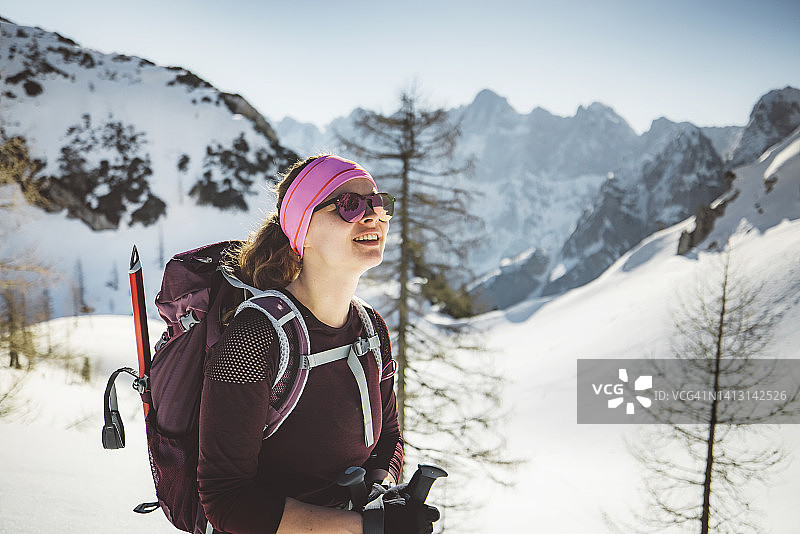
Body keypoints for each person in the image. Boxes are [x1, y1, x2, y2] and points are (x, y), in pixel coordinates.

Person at [197, 154, 439, 534]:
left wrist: (382, 495)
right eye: (349, 205)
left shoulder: (370, 329)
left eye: (378, 203)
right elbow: (226, 498)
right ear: (302, 230)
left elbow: (388, 437)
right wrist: (364, 527)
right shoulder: (256, 337)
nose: (372, 214)